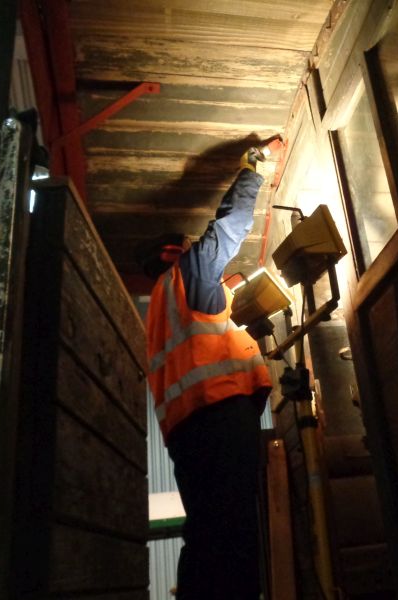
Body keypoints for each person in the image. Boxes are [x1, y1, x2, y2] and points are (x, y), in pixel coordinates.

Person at [140, 147, 273, 599]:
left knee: (207, 527)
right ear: (174, 253)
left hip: (184, 431)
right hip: (218, 413)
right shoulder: (188, 274)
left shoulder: (161, 306)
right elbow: (230, 227)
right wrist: (254, 169)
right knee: (237, 526)